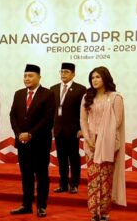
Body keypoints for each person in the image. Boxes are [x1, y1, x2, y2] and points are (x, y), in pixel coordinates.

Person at [80, 66, 126, 221]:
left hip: (108, 143)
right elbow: (83, 121)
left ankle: (105, 213)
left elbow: (117, 121)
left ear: (105, 78)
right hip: (91, 144)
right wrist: (88, 138)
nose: (94, 80)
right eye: (92, 77)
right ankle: (94, 213)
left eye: (98, 77)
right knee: (93, 180)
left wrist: (102, 138)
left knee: (105, 180)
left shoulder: (115, 97)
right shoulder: (87, 97)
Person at [9, 64, 55, 218]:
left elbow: (48, 119)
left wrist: (30, 134)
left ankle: (41, 206)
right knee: (26, 175)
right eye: (25, 76)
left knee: (42, 175)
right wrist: (18, 134)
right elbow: (13, 116)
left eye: (30, 76)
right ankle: (26, 205)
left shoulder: (48, 94)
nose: (27, 79)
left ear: (39, 77)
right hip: (22, 143)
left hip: (40, 142)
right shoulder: (19, 94)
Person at [50, 62, 86, 194]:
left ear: (73, 74)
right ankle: (63, 184)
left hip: (73, 130)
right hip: (58, 129)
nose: (63, 74)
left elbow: (84, 112)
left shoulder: (81, 89)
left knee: (74, 157)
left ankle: (74, 184)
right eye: (62, 72)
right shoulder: (53, 89)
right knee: (61, 158)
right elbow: (51, 110)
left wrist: (82, 129)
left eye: (66, 72)